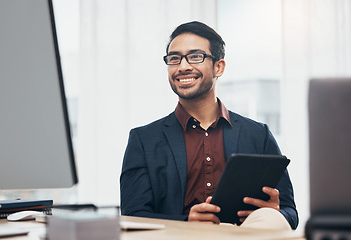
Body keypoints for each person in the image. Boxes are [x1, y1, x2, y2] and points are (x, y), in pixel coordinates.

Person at [120, 21, 298, 229]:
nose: (183, 66)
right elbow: (132, 218)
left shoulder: (259, 135)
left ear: (218, 67)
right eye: (174, 59)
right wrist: (187, 223)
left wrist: (274, 211)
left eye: (195, 56)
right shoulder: (143, 140)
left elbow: (290, 213)